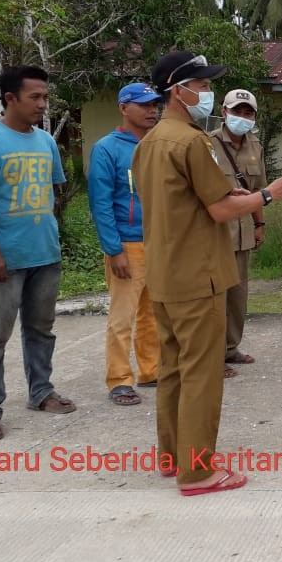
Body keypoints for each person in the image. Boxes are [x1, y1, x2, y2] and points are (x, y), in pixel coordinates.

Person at [134, 50, 282, 495]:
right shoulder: (192, 142)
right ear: (177, 90)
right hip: (197, 274)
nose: (208, 93)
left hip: (165, 272)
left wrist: (245, 197)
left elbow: (177, 203)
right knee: (202, 373)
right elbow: (221, 208)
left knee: (172, 369)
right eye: (203, 86)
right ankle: (197, 471)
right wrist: (269, 194)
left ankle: (172, 456)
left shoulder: (150, 142)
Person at [0, 66, 75, 442]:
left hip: (44, 253)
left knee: (41, 329)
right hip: (4, 259)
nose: (42, 104)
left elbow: (52, 193)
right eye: (35, 97)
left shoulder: (45, 142)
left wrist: (51, 240)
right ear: (10, 98)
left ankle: (41, 391)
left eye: (45, 97)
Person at [87, 82, 162, 407]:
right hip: (127, 245)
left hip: (159, 243)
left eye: (154, 104)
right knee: (122, 317)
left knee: (153, 314)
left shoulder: (158, 144)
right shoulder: (107, 148)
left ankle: (151, 370)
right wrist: (113, 249)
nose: (152, 110)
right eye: (144, 105)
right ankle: (119, 380)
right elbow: (100, 203)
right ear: (123, 108)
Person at [209, 89, 267, 379]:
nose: (242, 117)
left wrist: (259, 225)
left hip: (243, 232)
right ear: (224, 112)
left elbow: (258, 191)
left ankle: (231, 348)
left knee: (237, 295)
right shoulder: (207, 144)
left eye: (248, 113)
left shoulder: (254, 145)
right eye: (237, 111)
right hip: (216, 234)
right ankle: (212, 356)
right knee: (215, 298)